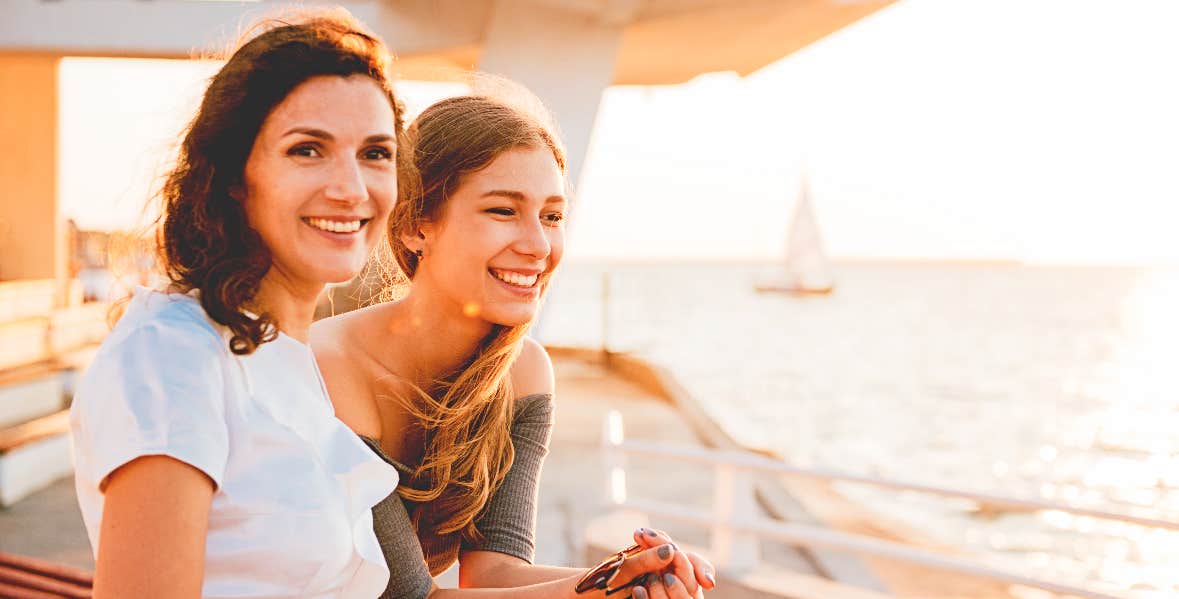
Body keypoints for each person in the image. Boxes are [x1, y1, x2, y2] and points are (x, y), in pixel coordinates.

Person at [312, 94, 717, 599]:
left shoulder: (521, 372)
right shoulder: (330, 367)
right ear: (417, 225)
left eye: (552, 216)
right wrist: (598, 589)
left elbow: (493, 575)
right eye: (504, 210)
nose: (538, 246)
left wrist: (626, 574)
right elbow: (412, 597)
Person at [69, 11, 415, 598]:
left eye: (375, 153)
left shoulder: (278, 353)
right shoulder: (172, 354)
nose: (352, 188)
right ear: (235, 175)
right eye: (308, 150)